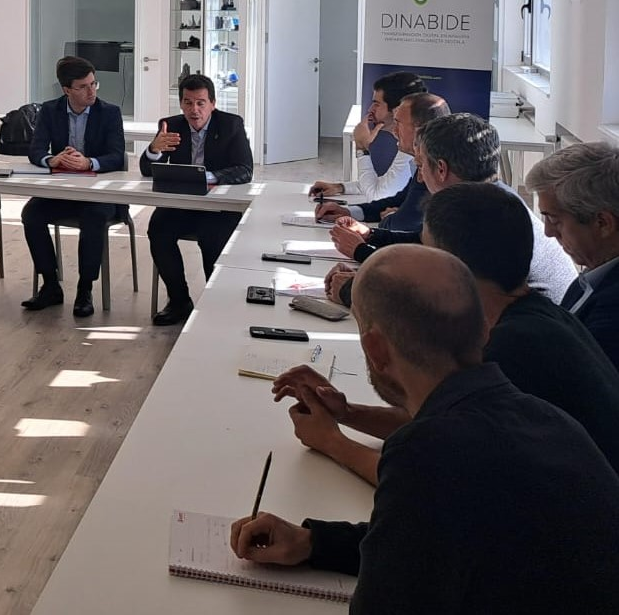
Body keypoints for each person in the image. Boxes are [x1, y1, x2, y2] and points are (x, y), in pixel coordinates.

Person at [237, 246, 619, 614]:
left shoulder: (425, 452)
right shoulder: (547, 418)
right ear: (484, 329)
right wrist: (313, 542)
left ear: (376, 350)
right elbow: (425, 544)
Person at [274, 184, 619, 484]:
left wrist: (333, 442)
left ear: (449, 265)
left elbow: (433, 479)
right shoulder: (534, 316)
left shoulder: (510, 350)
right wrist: (346, 413)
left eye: (426, 250)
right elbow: (440, 422)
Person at [324, 112, 576, 306]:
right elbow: (427, 246)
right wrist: (370, 236)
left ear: (441, 169)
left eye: (421, 166)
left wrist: (356, 283)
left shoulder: (489, 216)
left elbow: (439, 298)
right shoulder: (488, 198)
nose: (420, 178)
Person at [140, 73, 253, 325]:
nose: (194, 109)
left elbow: (245, 170)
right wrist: (154, 150)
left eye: (201, 102)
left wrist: (207, 177)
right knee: (158, 230)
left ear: (212, 103)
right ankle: (179, 301)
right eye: (188, 102)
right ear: (181, 104)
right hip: (182, 205)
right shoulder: (170, 125)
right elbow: (146, 169)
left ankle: (215, 305)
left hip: (218, 208)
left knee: (211, 239)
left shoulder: (231, 124)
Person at [20, 57, 126, 317]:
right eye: (83, 86)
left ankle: (85, 288)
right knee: (31, 214)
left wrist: (89, 162)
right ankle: (51, 284)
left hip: (100, 194)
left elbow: (117, 155)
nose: (91, 91)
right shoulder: (50, 110)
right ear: (66, 90)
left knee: (94, 216)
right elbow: (35, 150)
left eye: (94, 84)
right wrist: (51, 159)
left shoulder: (109, 112)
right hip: (62, 191)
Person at [526, 142, 619, 367]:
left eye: (555, 220)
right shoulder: (594, 274)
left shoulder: (612, 314)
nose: (547, 232)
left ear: (603, 223)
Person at [314, 92, 449, 230]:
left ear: (419, 129)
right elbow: (400, 199)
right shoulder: (424, 158)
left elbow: (402, 222)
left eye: (398, 124)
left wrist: (361, 148)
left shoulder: (434, 165)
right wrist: (349, 211)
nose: (394, 131)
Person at [309, 71, 426, 200]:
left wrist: (361, 148)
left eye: (376, 104)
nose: (370, 110)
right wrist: (341, 187)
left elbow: (377, 196)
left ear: (397, 109)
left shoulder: (413, 145)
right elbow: (385, 186)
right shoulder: (411, 139)